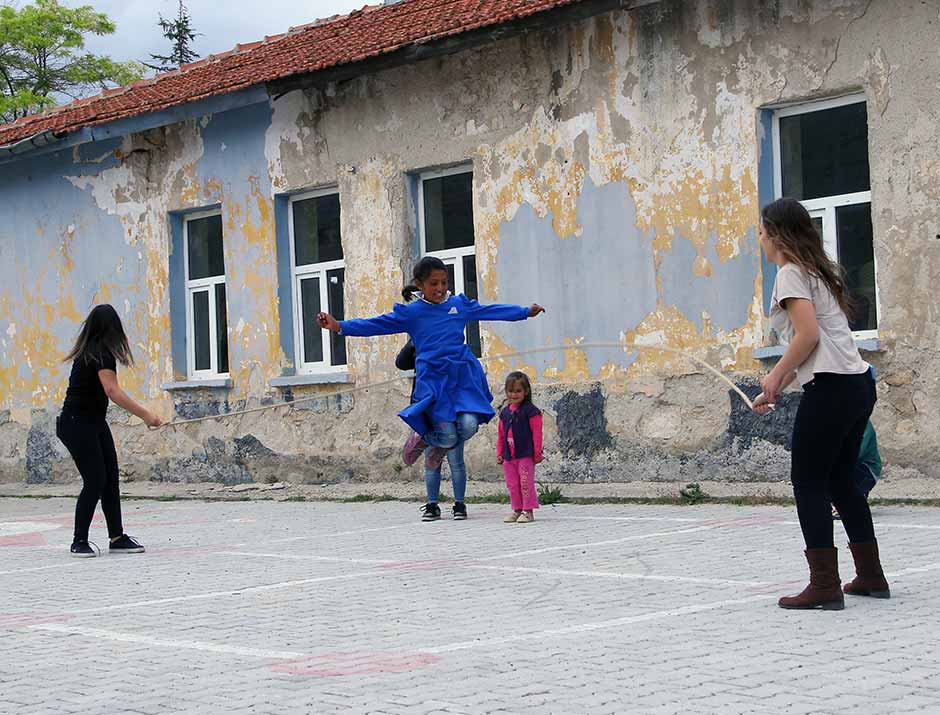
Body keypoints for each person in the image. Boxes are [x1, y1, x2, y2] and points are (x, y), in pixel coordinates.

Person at [318, 256, 545, 522]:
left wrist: (523, 312)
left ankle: (433, 443)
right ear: (420, 284)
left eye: (444, 282)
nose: (440, 288)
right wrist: (339, 326)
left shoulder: (457, 305)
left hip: (461, 376)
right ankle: (426, 440)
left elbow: (489, 310)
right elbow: (376, 324)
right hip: (433, 380)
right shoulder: (412, 312)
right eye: (434, 283)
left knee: (470, 425)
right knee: (448, 436)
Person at [753, 198, 889, 609]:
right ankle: (870, 576)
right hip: (857, 384)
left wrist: (775, 373)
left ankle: (825, 586)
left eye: (761, 231)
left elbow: (808, 336)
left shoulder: (790, 274)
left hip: (831, 390)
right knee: (842, 482)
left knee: (809, 482)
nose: (759, 238)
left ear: (776, 234)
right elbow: (818, 344)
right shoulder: (815, 272)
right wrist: (778, 385)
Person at [57, 304, 162, 557]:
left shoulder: (94, 352)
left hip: (93, 422)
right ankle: (78, 541)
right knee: (95, 480)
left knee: (110, 479)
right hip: (76, 423)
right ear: (112, 329)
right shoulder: (99, 354)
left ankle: (117, 538)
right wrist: (146, 415)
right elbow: (112, 391)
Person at [496, 371, 543, 524]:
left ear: (526, 391)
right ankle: (517, 509)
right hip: (509, 456)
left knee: (525, 482)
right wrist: (500, 452)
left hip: (525, 454)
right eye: (510, 391)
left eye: (518, 391)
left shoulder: (531, 412)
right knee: (512, 484)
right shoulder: (504, 413)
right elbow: (501, 435)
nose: (514, 395)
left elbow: (537, 434)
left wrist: (536, 453)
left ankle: (528, 511)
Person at [833, 418, 882, 519]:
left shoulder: (864, 424)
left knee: (840, 467)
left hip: (867, 470)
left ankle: (849, 500)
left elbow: (856, 453)